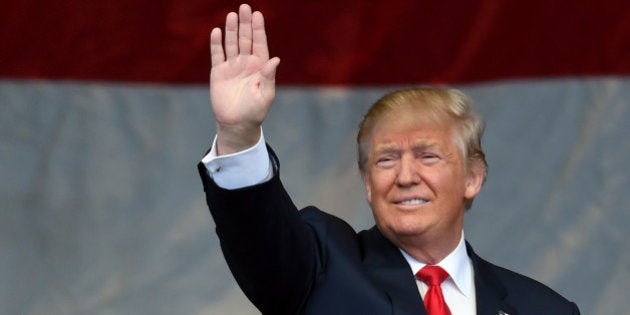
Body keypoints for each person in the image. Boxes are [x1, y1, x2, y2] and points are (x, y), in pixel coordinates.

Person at [197, 4, 581, 315]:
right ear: (367, 182)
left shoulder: (544, 308)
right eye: (385, 160)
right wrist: (239, 135)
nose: (405, 175)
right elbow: (261, 237)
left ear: (473, 177)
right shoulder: (322, 266)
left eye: (428, 156)